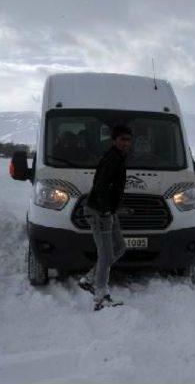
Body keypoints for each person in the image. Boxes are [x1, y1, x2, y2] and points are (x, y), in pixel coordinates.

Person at [78, 124, 133, 311]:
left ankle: (90, 278)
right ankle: (100, 296)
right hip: (99, 212)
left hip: (109, 211)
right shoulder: (112, 159)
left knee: (120, 247)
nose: (126, 143)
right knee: (106, 254)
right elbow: (100, 185)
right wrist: (105, 211)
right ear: (114, 141)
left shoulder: (118, 158)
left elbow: (112, 188)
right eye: (122, 139)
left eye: (128, 139)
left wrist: (114, 208)